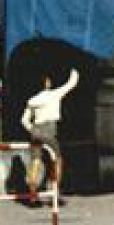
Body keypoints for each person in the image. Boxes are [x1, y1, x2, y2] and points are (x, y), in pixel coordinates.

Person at [21, 68, 79, 203]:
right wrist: (74, 70)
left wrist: (33, 130)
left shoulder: (32, 100)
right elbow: (71, 84)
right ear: (46, 83)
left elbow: (23, 120)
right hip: (49, 130)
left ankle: (32, 194)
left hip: (36, 130)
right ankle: (55, 191)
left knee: (35, 160)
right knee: (57, 159)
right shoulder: (54, 94)